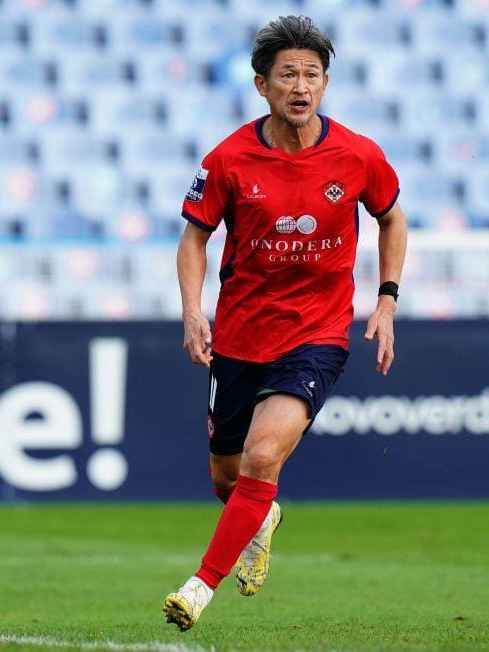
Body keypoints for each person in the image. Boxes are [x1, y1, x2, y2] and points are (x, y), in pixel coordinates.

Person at [163, 15, 408, 631]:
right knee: (230, 475)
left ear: (326, 84)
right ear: (261, 86)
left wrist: (385, 299)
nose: (300, 86)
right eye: (287, 75)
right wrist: (194, 311)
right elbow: (194, 241)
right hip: (241, 336)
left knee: (263, 454)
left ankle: (198, 587)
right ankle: (261, 516)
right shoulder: (228, 158)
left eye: (312, 74)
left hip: (316, 334)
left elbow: (392, 219)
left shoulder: (357, 154)